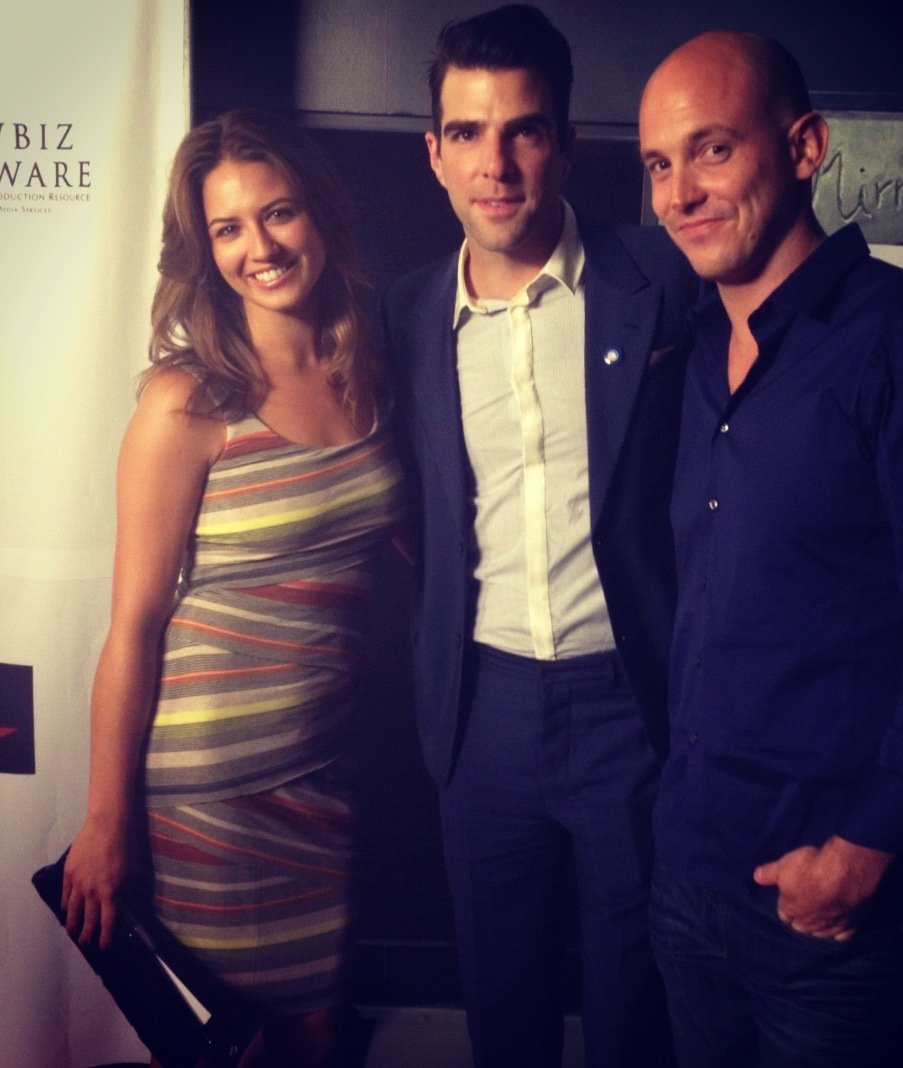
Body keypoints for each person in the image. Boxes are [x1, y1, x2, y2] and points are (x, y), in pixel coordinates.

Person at [637, 30, 903, 1067]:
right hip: (690, 879)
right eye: (658, 164)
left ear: (805, 147)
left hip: (839, 909)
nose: (679, 192)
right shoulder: (690, 365)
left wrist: (865, 849)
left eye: (711, 150)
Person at [382, 6, 695, 1066]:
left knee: (633, 1005)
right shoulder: (406, 315)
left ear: (563, 140)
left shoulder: (663, 283)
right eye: (466, 133)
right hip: (482, 708)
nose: (496, 162)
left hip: (631, 705)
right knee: (501, 1003)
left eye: (523, 129)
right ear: (434, 153)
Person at [60, 108, 405, 1067]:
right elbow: (132, 626)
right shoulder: (188, 398)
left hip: (324, 776)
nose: (260, 246)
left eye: (279, 213)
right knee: (236, 1050)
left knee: (322, 1038)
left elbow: (412, 541)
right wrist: (105, 820)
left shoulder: (369, 367)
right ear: (204, 249)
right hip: (209, 795)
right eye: (228, 228)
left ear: (319, 215)